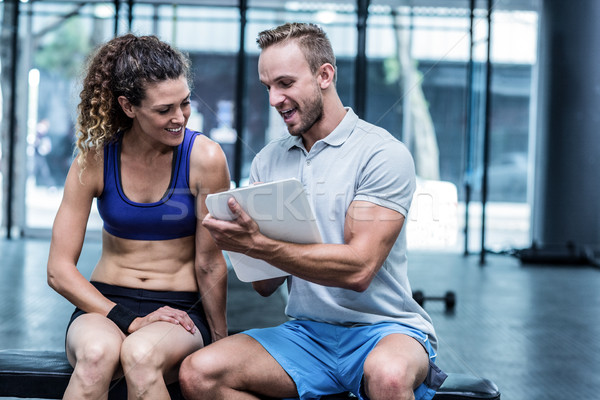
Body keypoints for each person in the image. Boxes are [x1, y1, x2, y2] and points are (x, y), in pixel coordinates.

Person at [179, 22, 446, 400]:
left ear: (325, 75)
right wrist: (245, 240)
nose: (274, 99)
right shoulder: (269, 160)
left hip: (386, 330)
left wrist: (259, 244)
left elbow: (359, 270)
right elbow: (264, 285)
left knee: (387, 376)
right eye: (267, 87)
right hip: (308, 333)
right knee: (199, 373)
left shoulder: (381, 154)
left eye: (285, 83)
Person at [47, 34, 230, 399]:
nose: (179, 118)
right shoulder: (94, 160)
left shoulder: (204, 159)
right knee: (97, 355)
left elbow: (210, 263)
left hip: (180, 310)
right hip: (105, 303)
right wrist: (127, 318)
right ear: (128, 106)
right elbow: (58, 271)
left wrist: (220, 339)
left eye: (185, 104)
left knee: (141, 354)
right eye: (164, 110)